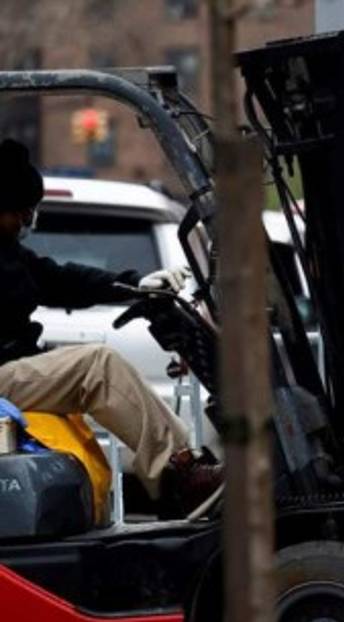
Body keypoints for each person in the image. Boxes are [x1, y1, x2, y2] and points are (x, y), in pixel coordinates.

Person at [0, 139, 221, 519]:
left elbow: (61, 279)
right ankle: (180, 472)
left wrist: (133, 285)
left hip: (10, 370)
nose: (25, 221)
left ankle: (178, 474)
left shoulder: (8, 253)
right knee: (97, 366)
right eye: (20, 212)